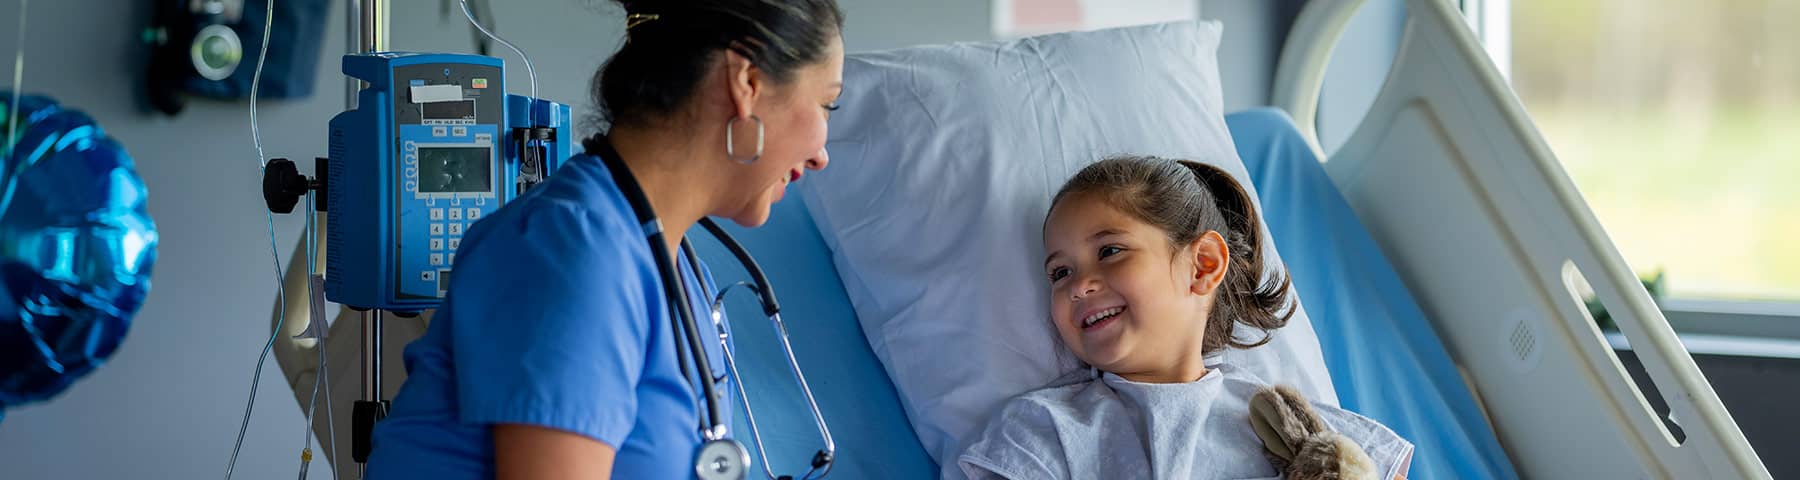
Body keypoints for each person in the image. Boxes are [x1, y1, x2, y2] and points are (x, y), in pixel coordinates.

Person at [362, 0, 844, 477]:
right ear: (748, 83)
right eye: (827, 103)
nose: (822, 154)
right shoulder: (572, 249)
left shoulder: (675, 265)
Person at [958, 156, 1414, 479]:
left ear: (1203, 265)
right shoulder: (1048, 429)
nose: (1079, 285)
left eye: (1110, 251)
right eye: (1060, 272)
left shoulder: (1283, 421)